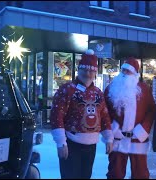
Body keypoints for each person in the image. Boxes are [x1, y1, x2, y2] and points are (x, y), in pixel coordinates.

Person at [50, 49, 114, 179]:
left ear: (95, 72)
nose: (88, 73)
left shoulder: (98, 93)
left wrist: (109, 137)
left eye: (91, 70)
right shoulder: (67, 89)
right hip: (71, 143)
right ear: (79, 70)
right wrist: (61, 142)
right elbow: (57, 115)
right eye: (85, 69)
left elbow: (104, 116)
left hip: (91, 146)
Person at [104, 57, 156, 179]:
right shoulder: (111, 88)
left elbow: (151, 111)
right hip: (117, 137)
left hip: (137, 138)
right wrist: (113, 127)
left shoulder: (144, 89)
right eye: (124, 70)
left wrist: (143, 130)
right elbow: (104, 111)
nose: (125, 73)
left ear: (135, 74)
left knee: (140, 173)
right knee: (115, 172)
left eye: (129, 71)